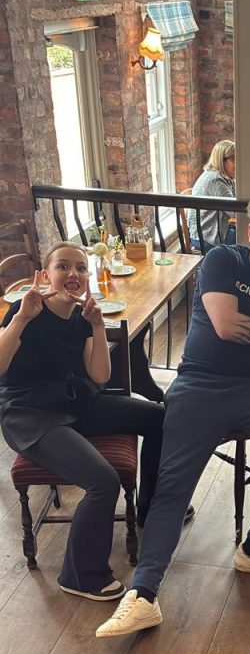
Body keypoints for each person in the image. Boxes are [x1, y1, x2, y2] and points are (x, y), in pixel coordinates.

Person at [96, 191, 250, 638]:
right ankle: (144, 594)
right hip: (200, 384)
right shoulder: (223, 260)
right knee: (174, 486)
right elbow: (228, 328)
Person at [0, 242, 165, 601]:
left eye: (80, 268)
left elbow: (100, 375)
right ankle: (80, 575)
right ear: (45, 275)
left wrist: (98, 327)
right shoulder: (24, 309)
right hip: (29, 414)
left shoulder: (81, 317)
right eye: (63, 266)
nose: (72, 273)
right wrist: (21, 318)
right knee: (103, 480)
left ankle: (151, 508)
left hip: (73, 402)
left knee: (158, 417)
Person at [187, 140, 236, 252]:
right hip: (205, 236)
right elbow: (235, 211)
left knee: (248, 235)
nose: (238, 163)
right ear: (221, 160)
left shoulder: (226, 179)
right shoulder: (215, 180)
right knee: (248, 240)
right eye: (233, 159)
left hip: (214, 231)